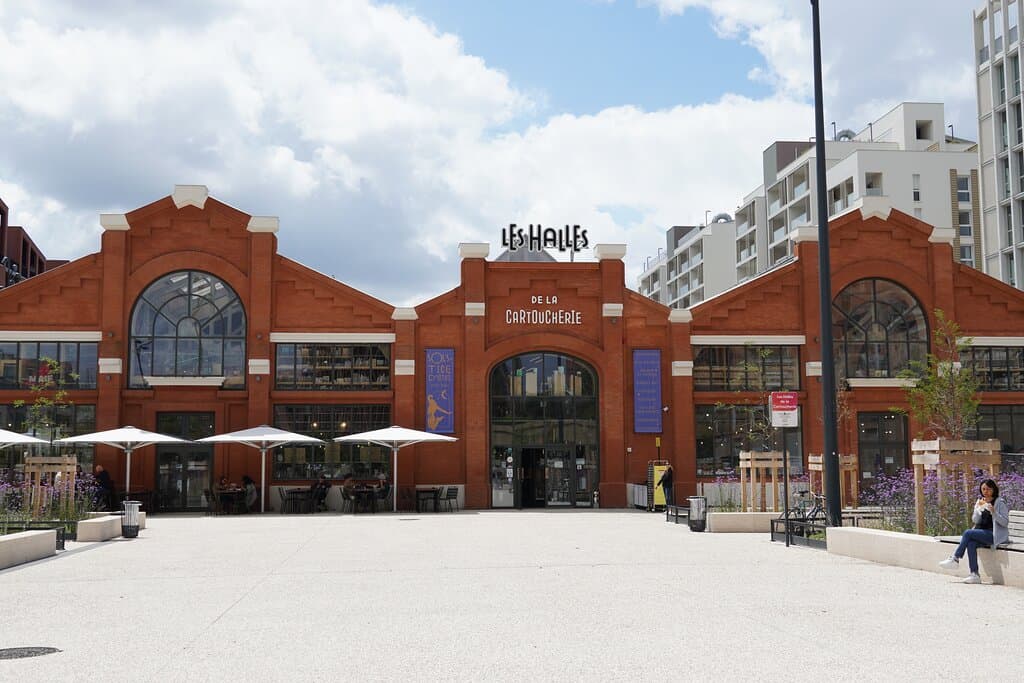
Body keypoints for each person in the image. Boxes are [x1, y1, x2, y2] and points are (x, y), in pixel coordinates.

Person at [938, 478, 1010, 584]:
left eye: (988, 489)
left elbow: (1005, 522)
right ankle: (974, 574)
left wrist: (994, 512)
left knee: (968, 533)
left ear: (994, 489)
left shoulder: (1000, 502)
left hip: (994, 535)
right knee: (971, 543)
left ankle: (955, 558)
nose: (986, 492)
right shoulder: (981, 501)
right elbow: (975, 520)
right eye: (983, 489)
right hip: (982, 533)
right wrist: (977, 510)